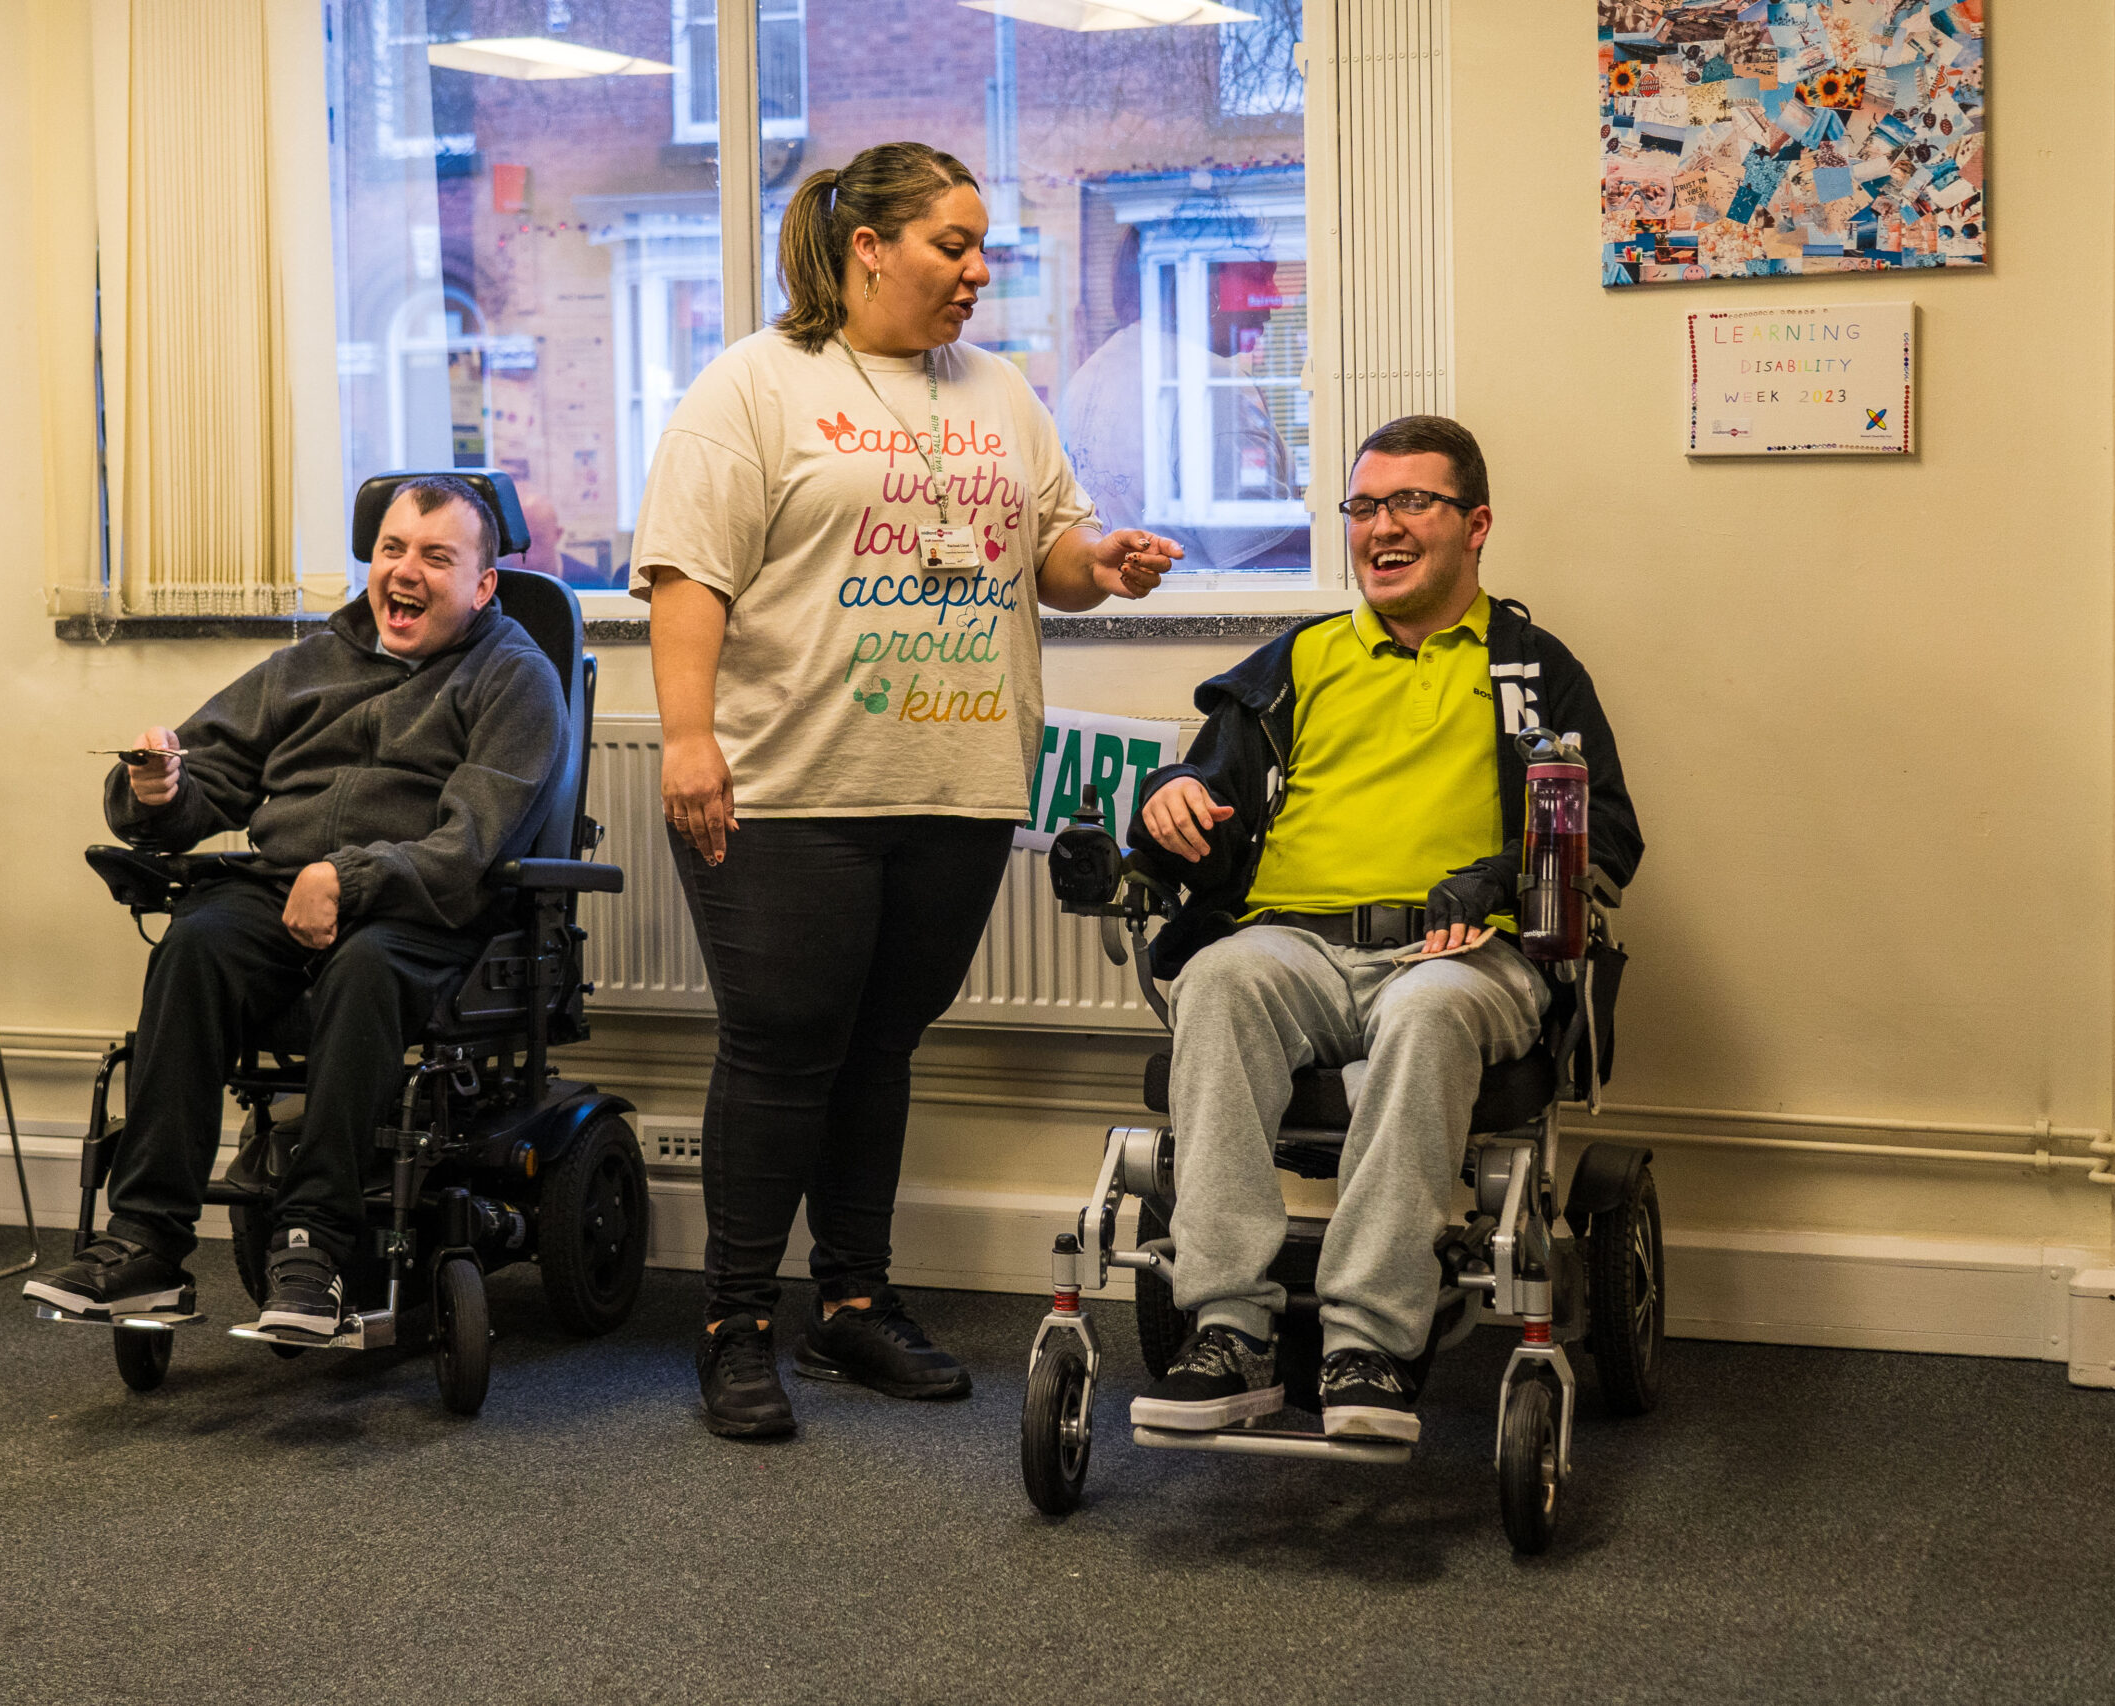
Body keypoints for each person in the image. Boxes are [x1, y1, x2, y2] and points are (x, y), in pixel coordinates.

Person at [632, 142, 1184, 1440]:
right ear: (866, 246)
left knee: (881, 1045)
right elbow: (686, 577)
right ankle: (732, 1323)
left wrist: (1099, 559)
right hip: (790, 786)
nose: (979, 272)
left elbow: (1044, 551)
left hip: (957, 777)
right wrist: (688, 739)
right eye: (953, 245)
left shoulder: (997, 391)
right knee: (781, 1050)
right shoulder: (754, 388)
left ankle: (852, 1299)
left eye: (985, 247)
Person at [1125, 415, 1642, 1445]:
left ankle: (1367, 1337)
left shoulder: (1533, 670)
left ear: (1476, 523)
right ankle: (1228, 1329)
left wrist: (1488, 885)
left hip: (1468, 953)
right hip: (1297, 944)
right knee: (1218, 979)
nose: (1382, 527)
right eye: (1364, 506)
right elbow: (1204, 785)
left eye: (1413, 502)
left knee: (1430, 1008)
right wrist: (1172, 797)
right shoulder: (1299, 659)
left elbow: (1607, 834)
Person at [23, 476, 566, 1338]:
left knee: (364, 966)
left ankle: (313, 1247)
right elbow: (202, 782)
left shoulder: (515, 680)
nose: (406, 571)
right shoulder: (303, 666)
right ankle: (147, 1246)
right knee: (196, 943)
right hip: (280, 894)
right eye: (392, 549)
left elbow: (471, 846)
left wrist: (346, 878)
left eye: (436, 556)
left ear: (484, 584)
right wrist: (157, 788)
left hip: (423, 915)